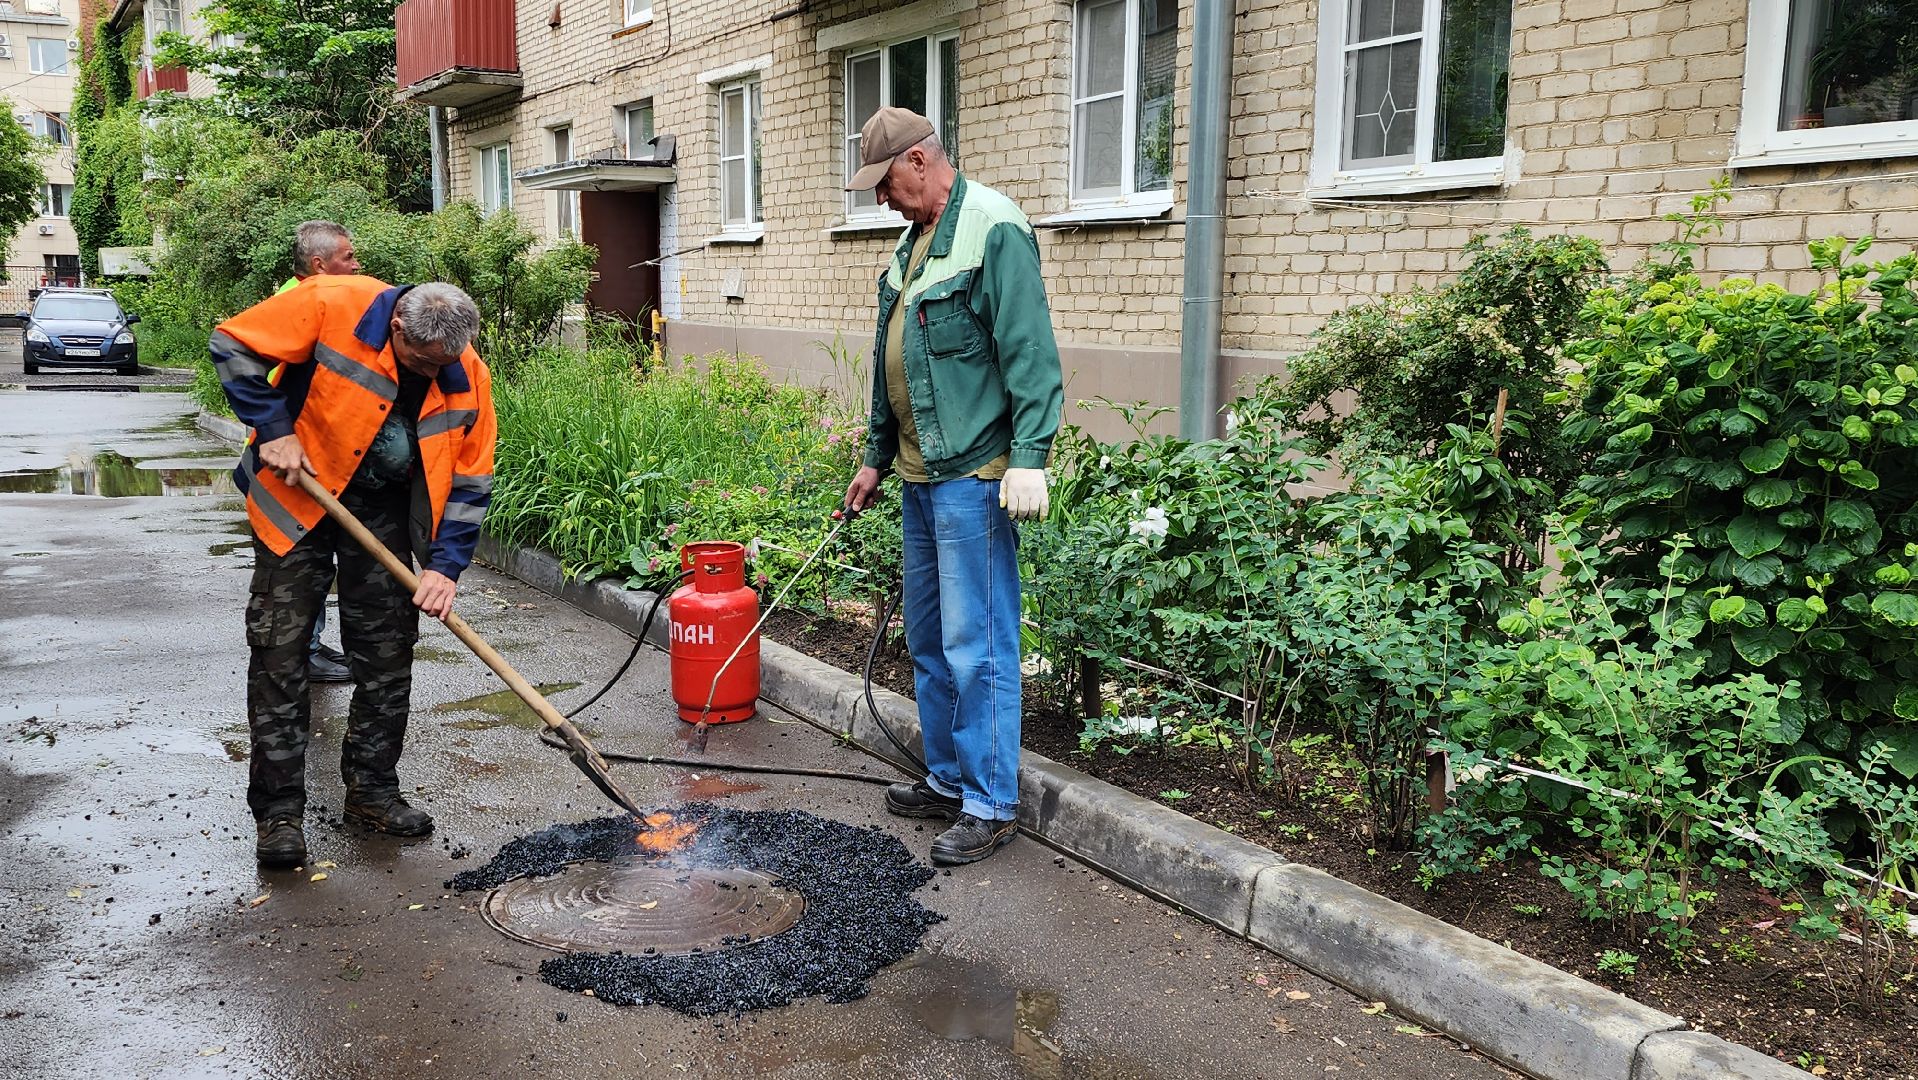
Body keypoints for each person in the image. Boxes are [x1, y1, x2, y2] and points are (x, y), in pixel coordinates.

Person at [841, 107, 1064, 866]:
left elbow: (1029, 349)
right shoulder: (910, 246)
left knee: (979, 646)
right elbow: (891, 359)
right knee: (931, 639)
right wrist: (875, 456)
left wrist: (1030, 456)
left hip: (972, 474)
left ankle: (991, 803)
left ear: (919, 161)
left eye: (885, 183)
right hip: (916, 475)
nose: (881, 200)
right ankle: (947, 778)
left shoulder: (993, 228)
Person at [213, 278, 496, 868]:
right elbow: (232, 343)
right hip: (298, 496)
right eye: (422, 361)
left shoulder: (465, 370)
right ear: (397, 329)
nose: (433, 372)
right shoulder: (331, 303)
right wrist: (275, 431)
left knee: (387, 653)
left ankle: (372, 792)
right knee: (280, 653)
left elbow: (471, 479)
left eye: (443, 363)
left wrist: (445, 567)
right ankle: (279, 816)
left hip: (382, 512)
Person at [276, 221, 365, 683]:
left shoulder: (317, 297)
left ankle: (311, 644)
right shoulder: (300, 304)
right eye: (348, 257)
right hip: (296, 461)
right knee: (304, 561)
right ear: (319, 265)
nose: (357, 264)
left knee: (317, 558)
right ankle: (304, 653)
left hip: (313, 456)